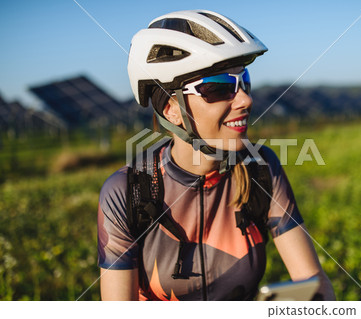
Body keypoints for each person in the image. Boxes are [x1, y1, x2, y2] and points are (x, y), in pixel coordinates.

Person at [97, 9, 335, 301]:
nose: (246, 99)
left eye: (243, 81)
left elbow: (313, 283)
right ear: (173, 110)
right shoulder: (128, 191)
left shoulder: (260, 168)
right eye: (219, 87)